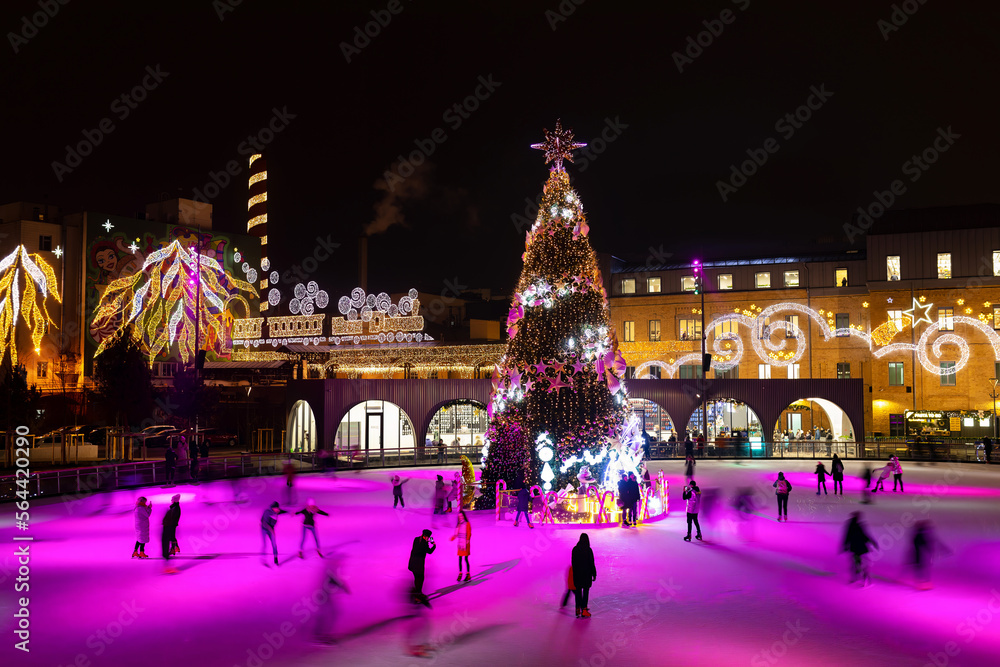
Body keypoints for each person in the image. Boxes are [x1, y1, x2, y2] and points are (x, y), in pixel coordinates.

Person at [910, 520, 950, 590]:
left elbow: (935, 542)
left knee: (922, 567)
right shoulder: (920, 535)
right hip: (921, 553)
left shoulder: (921, 534)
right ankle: (923, 583)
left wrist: (944, 549)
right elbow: (919, 544)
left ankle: (924, 582)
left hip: (924, 554)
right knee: (921, 567)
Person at [842, 512, 877, 587]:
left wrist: (844, 546)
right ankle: (864, 579)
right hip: (860, 549)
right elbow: (865, 536)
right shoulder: (857, 526)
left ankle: (860, 579)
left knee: (857, 564)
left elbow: (847, 537)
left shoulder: (852, 525)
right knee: (860, 564)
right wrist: (873, 542)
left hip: (856, 549)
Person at [570, 533, 596, 618]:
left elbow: (573, 563)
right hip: (586, 575)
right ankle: (584, 609)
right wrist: (594, 573)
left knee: (578, 592)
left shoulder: (575, 549)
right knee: (585, 592)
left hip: (577, 575)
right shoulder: (588, 550)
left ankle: (577, 609)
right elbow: (591, 563)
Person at [408, 529, 437, 602]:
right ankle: (417, 596)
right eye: (429, 537)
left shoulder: (416, 539)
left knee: (417, 578)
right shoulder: (424, 544)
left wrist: (426, 541)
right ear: (427, 537)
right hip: (419, 565)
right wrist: (434, 545)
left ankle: (419, 593)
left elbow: (421, 544)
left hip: (412, 563)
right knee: (420, 579)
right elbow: (429, 551)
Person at [261, 501, 288, 567]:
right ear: (273, 508)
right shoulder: (267, 512)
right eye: (276, 508)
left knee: (274, 544)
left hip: (271, 529)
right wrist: (271, 529)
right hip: (264, 529)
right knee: (265, 544)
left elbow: (283, 511)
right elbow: (264, 523)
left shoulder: (277, 511)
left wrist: (290, 512)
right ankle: (264, 559)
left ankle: (275, 558)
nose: (277, 510)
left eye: (278, 508)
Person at [162, 494, 181, 574]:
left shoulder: (175, 508)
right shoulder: (174, 508)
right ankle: (168, 566)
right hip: (168, 527)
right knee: (167, 543)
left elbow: (172, 519)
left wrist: (167, 523)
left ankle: (168, 566)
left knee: (166, 543)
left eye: (172, 499)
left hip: (168, 527)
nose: (171, 500)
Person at [450, 510, 472, 582]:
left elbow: (469, 533)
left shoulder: (467, 524)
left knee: (465, 559)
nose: (460, 517)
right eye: (459, 516)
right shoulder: (458, 525)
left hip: (466, 544)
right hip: (460, 544)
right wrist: (452, 538)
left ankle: (468, 574)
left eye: (461, 516)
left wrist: (467, 540)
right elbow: (456, 534)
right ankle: (460, 573)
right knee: (460, 559)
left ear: (464, 516)